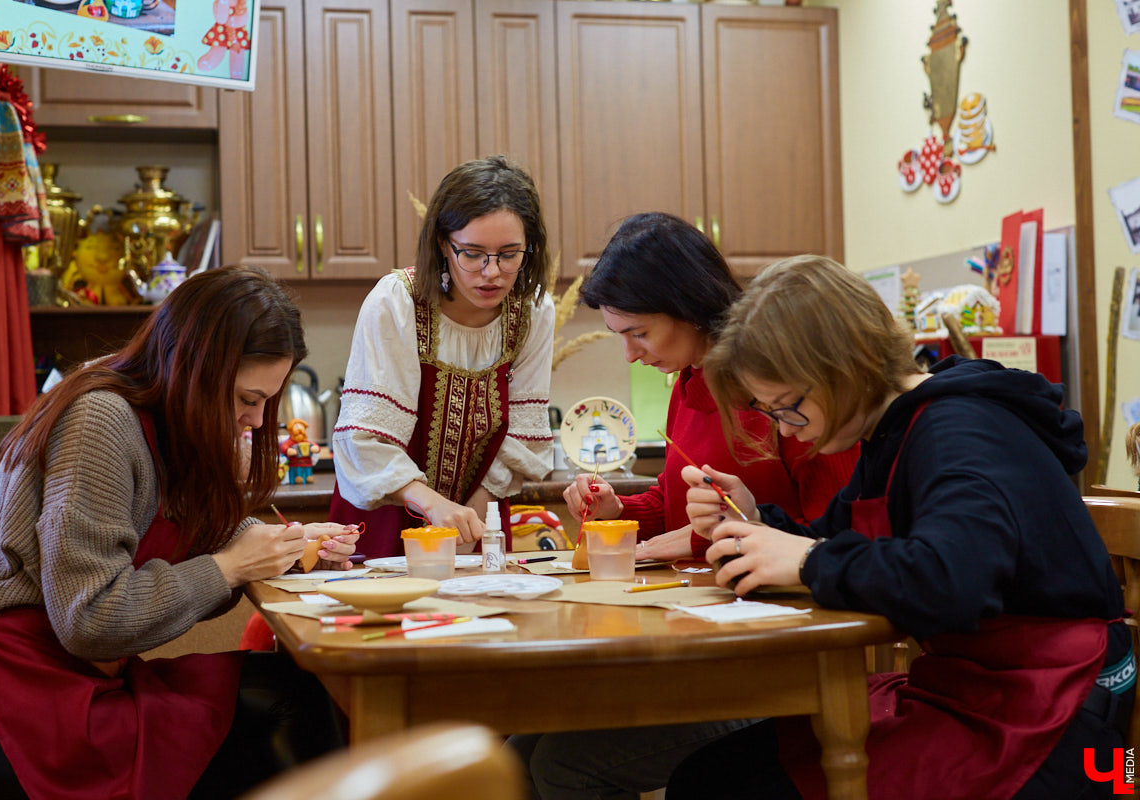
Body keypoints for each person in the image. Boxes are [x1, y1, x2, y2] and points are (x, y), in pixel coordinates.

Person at [666, 255, 1132, 799]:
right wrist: (752, 520)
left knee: (724, 790)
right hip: (973, 686)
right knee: (706, 778)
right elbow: (836, 540)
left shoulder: (958, 430)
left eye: (789, 408)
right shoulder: (893, 432)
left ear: (842, 366)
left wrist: (807, 561)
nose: (790, 434)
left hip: (1069, 724)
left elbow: (951, 578)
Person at [0, 266, 355, 800]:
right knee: (288, 710)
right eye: (244, 399)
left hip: (71, 682)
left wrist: (290, 548)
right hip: (7, 702)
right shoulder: (100, 421)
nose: (252, 420)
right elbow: (89, 619)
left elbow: (206, 527)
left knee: (300, 691)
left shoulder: (163, 420)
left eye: (264, 403)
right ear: (193, 370)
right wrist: (232, 567)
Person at [510, 214, 860, 800]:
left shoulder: (783, 392)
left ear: (689, 306)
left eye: (639, 333)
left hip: (780, 660)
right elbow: (681, 503)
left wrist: (731, 529)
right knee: (521, 749)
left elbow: (841, 539)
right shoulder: (689, 383)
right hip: (708, 640)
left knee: (563, 768)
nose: (628, 354)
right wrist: (623, 508)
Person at [329, 155, 555, 557]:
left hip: (478, 518)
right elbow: (365, 440)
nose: (492, 272)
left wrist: (472, 517)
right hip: (385, 517)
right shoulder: (397, 302)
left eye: (509, 254)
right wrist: (432, 505)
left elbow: (523, 432)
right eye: (472, 253)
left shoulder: (533, 311)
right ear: (442, 244)